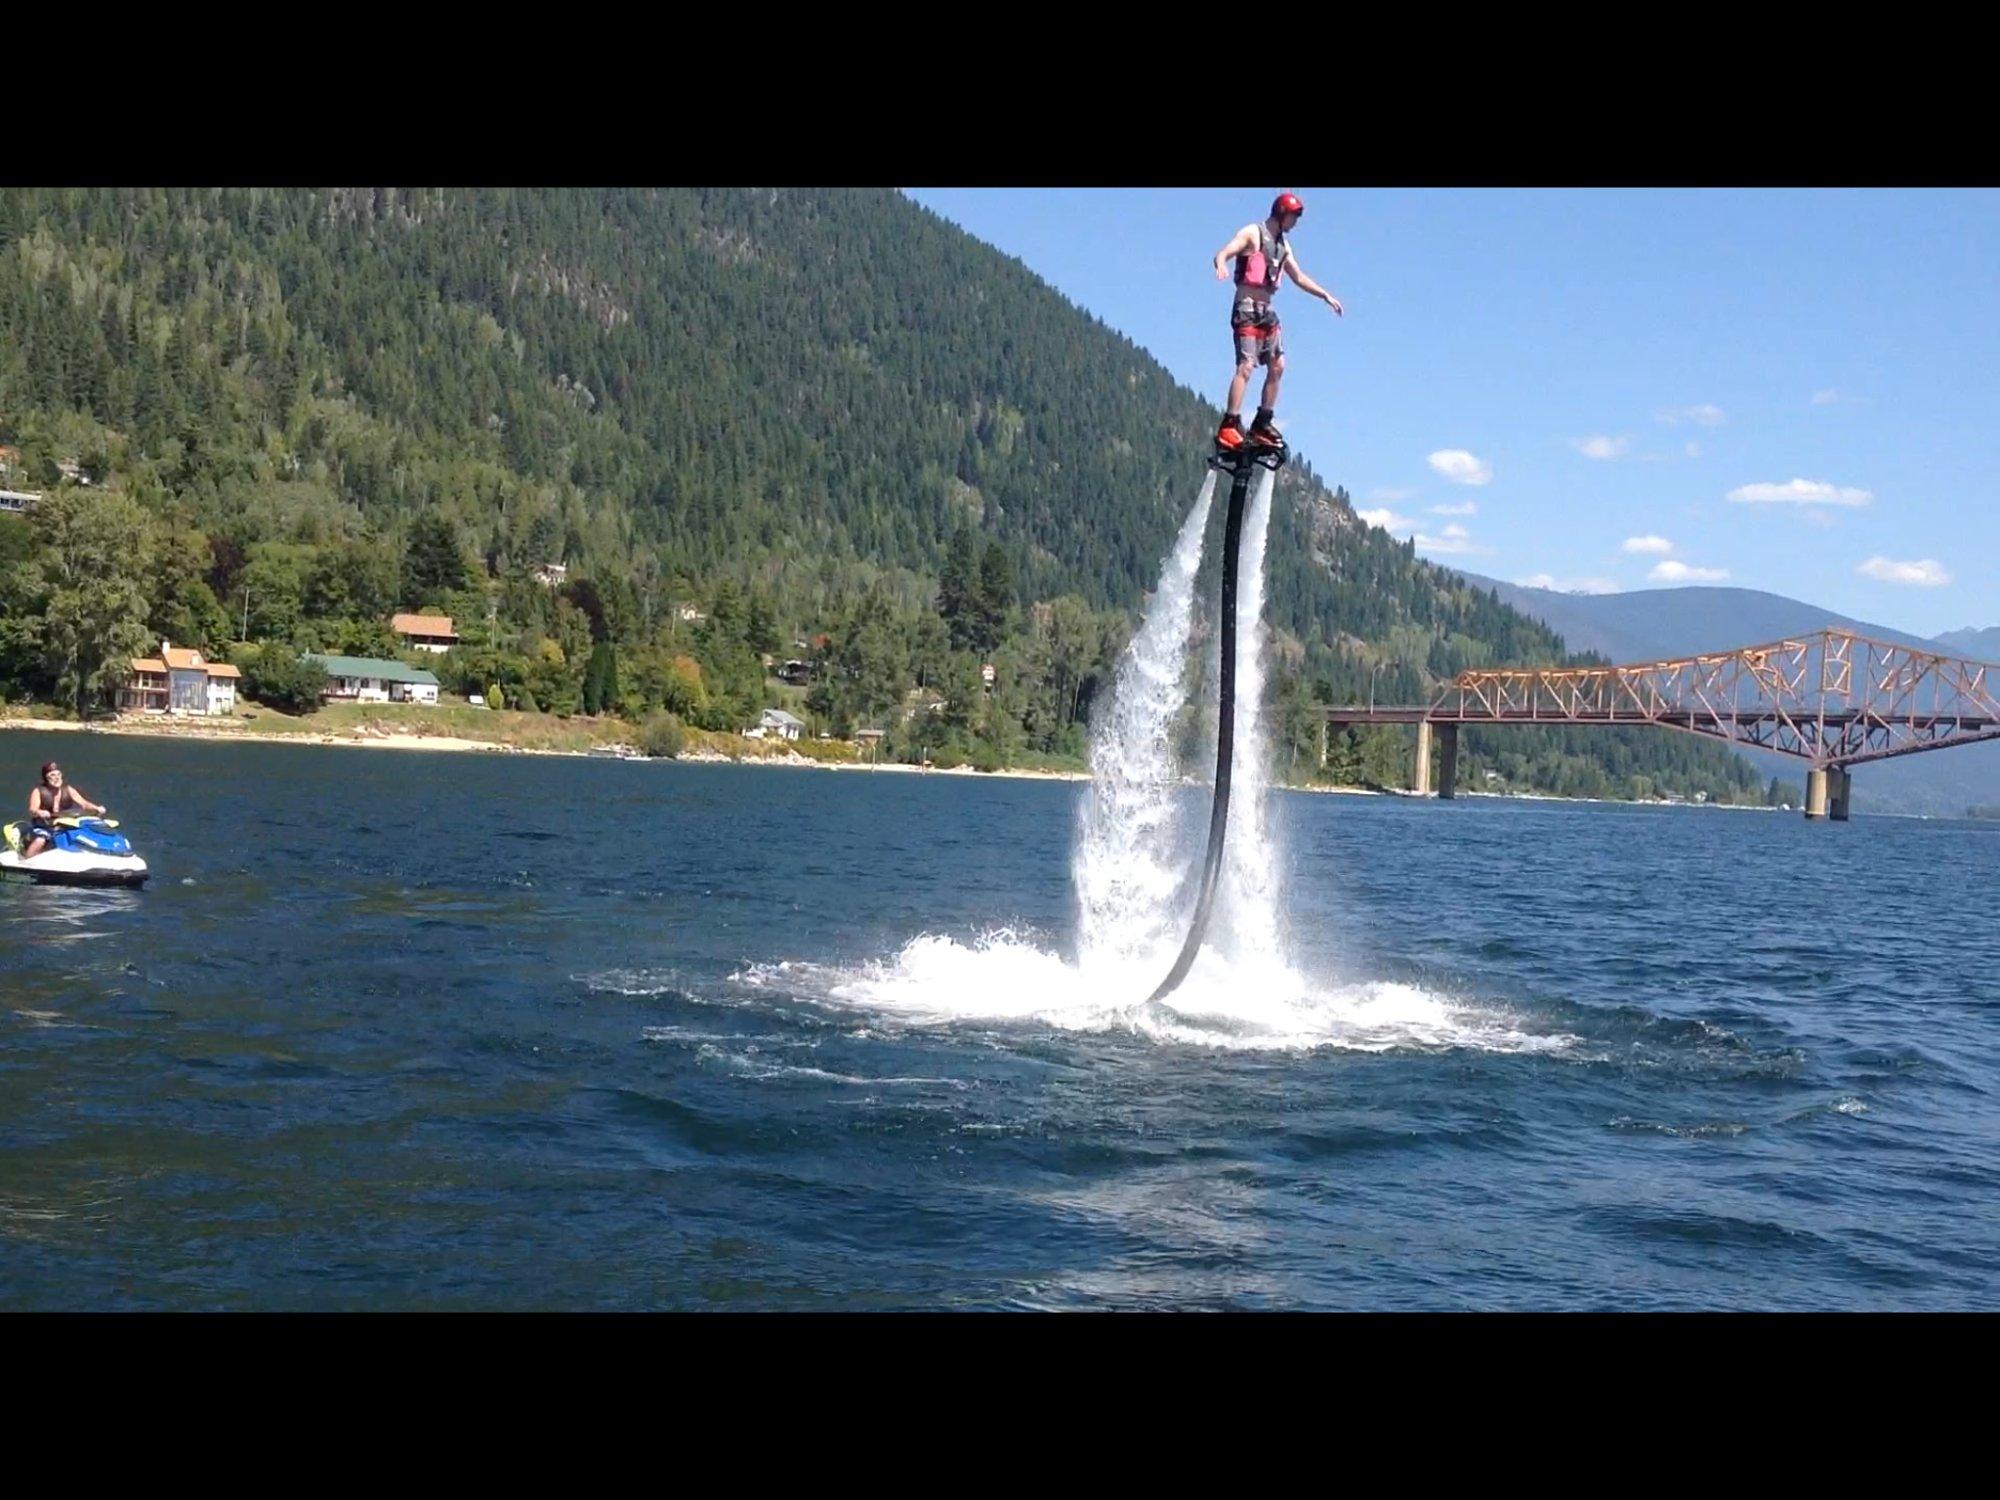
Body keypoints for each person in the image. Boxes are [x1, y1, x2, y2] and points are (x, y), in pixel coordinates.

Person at [1211, 191, 1343, 451]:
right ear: (1282, 214)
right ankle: (1229, 424)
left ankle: (1262, 422)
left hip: (1266, 310)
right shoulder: (1253, 233)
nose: (1295, 223)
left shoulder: (1284, 246)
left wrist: (1325, 295)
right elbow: (1226, 250)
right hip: (1246, 307)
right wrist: (1221, 262)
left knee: (1278, 365)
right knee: (1246, 366)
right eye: (1293, 217)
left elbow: (1298, 276)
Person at [23, 761, 105, 858]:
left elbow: (84, 803)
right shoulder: (38, 791)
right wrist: (40, 812)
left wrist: (97, 808)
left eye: (58, 774)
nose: (56, 778)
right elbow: (33, 809)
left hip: (63, 825)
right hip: (44, 826)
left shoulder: (68, 789)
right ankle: (25, 862)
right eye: (52, 775)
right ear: (46, 777)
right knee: (40, 840)